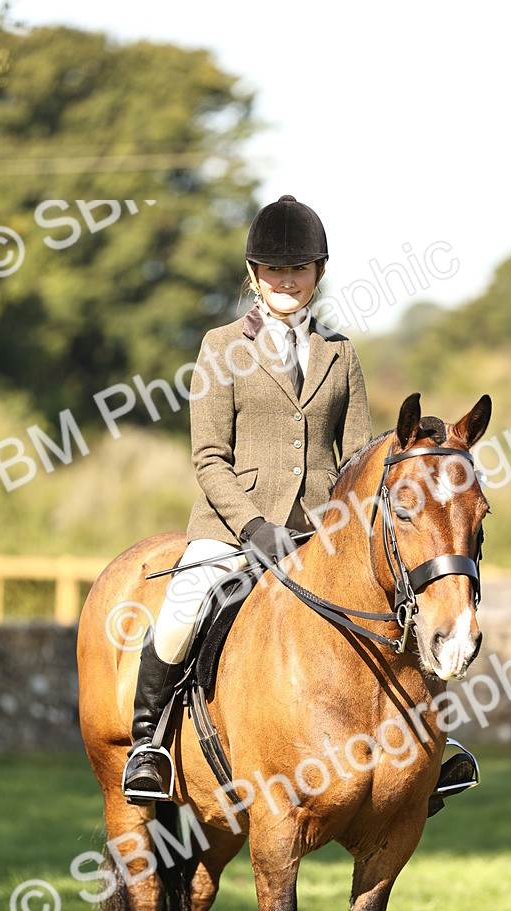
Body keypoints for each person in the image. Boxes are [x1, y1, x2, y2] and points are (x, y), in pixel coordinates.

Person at [122, 194, 372, 801]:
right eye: (275, 270)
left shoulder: (340, 355)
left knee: (397, 607)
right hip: (234, 529)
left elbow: (361, 459)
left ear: (318, 272)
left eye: (299, 269)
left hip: (319, 533)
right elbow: (209, 457)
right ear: (255, 274)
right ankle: (148, 744)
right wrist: (254, 526)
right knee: (183, 610)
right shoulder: (220, 346)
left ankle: (429, 747)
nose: (287, 281)